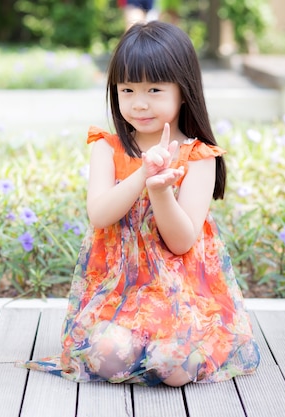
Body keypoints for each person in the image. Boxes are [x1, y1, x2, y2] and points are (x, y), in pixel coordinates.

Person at [17, 21, 260, 386]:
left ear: (184, 90)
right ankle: (133, 347)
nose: (138, 102)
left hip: (181, 297)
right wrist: (142, 175)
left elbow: (180, 242)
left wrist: (162, 192)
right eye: (127, 89)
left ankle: (163, 350)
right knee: (109, 357)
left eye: (154, 89)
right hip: (119, 293)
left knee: (176, 367)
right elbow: (99, 214)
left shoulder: (197, 156)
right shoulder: (108, 147)